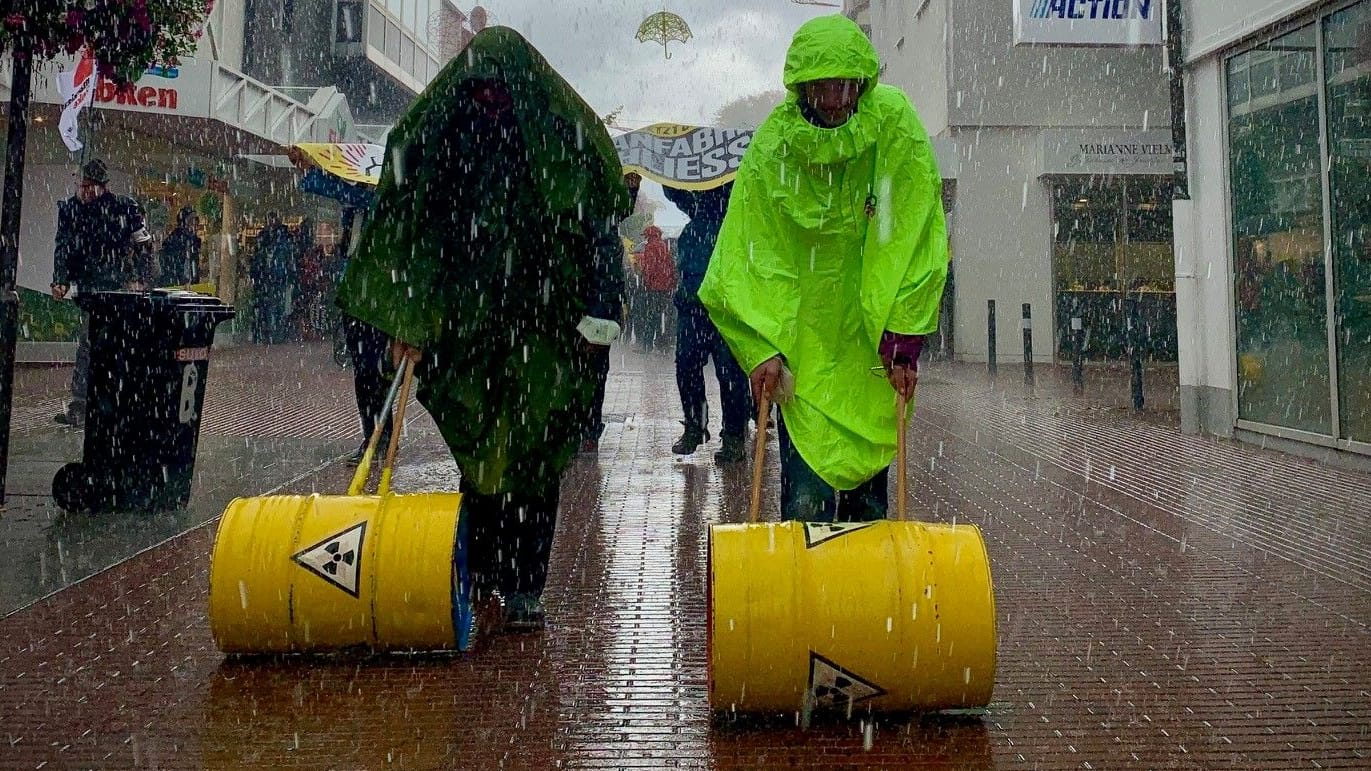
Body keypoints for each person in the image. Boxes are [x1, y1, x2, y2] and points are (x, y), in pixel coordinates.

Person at [336, 27, 630, 638]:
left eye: (501, 91)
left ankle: (523, 584)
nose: (491, 102)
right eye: (482, 90)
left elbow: (596, 232)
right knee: (481, 452)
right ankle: (488, 569)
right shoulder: (446, 141)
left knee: (535, 458)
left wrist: (595, 320)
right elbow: (420, 235)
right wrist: (411, 320)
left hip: (548, 331)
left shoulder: (559, 142)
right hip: (471, 329)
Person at [699, 14, 950, 522]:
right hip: (804, 357)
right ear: (802, 86)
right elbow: (752, 251)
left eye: (844, 86)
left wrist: (904, 335)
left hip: (870, 353)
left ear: (861, 82)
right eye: (822, 87)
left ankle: (865, 600)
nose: (835, 100)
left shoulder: (893, 124)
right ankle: (808, 597)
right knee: (804, 510)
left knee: (869, 513)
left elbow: (915, 231)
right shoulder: (775, 147)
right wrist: (761, 346)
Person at [289, 146, 393, 465]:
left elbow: (337, 189)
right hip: (354, 294)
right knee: (363, 371)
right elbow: (328, 188)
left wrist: (314, 173)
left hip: (379, 296)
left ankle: (381, 436)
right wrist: (308, 168)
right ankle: (372, 435)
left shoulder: (382, 199)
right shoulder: (356, 201)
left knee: (377, 370)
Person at [50, 159, 157, 428]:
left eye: (89, 187)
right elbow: (62, 245)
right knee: (89, 344)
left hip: (117, 286)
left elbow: (144, 246)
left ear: (103, 186)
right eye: (80, 186)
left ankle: (108, 402)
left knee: (110, 344)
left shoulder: (123, 208)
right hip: (90, 286)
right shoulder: (70, 209)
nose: (84, 192)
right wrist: (60, 279)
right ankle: (83, 403)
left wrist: (141, 280)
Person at [663, 182, 750, 463]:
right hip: (693, 305)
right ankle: (695, 426)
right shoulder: (698, 207)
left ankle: (734, 436)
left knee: (731, 374)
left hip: (727, 308)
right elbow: (675, 188)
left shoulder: (736, 211)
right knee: (687, 365)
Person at [578, 170, 641, 454]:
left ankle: (586, 429)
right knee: (589, 375)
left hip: (593, 314)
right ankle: (584, 429)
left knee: (591, 374)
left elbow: (617, 210)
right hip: (588, 312)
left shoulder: (600, 227)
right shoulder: (597, 225)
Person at [249, 211, 292, 344]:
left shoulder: (282, 238)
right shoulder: (266, 238)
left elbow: (287, 259)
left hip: (275, 278)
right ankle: (267, 333)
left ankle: (272, 333)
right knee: (267, 306)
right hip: (267, 278)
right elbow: (257, 258)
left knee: (275, 306)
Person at [634, 225, 675, 350]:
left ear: (649, 235)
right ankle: (661, 342)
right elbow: (670, 266)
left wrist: (645, 281)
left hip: (654, 287)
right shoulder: (664, 246)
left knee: (651, 315)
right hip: (665, 287)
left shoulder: (651, 246)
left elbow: (649, 268)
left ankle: (647, 345)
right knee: (660, 315)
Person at [158, 206, 201, 288]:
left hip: (186, 285)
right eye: (191, 222)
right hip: (176, 285)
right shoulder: (176, 240)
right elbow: (172, 265)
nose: (195, 225)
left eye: (196, 222)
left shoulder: (193, 240)